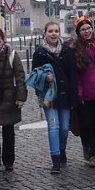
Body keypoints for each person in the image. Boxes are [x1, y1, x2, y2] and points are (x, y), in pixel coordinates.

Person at [30, 21, 78, 173]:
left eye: (56, 31)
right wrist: (45, 77)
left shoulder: (67, 51)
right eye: (50, 31)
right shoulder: (39, 53)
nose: (53, 34)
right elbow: (34, 74)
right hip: (48, 97)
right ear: (45, 33)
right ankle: (55, 160)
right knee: (53, 127)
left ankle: (62, 149)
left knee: (64, 128)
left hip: (65, 95)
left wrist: (74, 96)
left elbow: (73, 75)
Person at [0, 28, 28, 175]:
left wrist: (21, 97)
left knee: (8, 131)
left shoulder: (12, 55)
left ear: (4, 41)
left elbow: (20, 76)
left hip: (8, 98)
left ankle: (8, 162)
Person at [71, 16, 95, 168]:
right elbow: (75, 73)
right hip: (84, 93)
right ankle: (86, 145)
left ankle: (94, 153)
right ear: (78, 32)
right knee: (85, 123)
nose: (86, 31)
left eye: (88, 28)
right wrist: (78, 91)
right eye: (83, 29)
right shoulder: (74, 48)